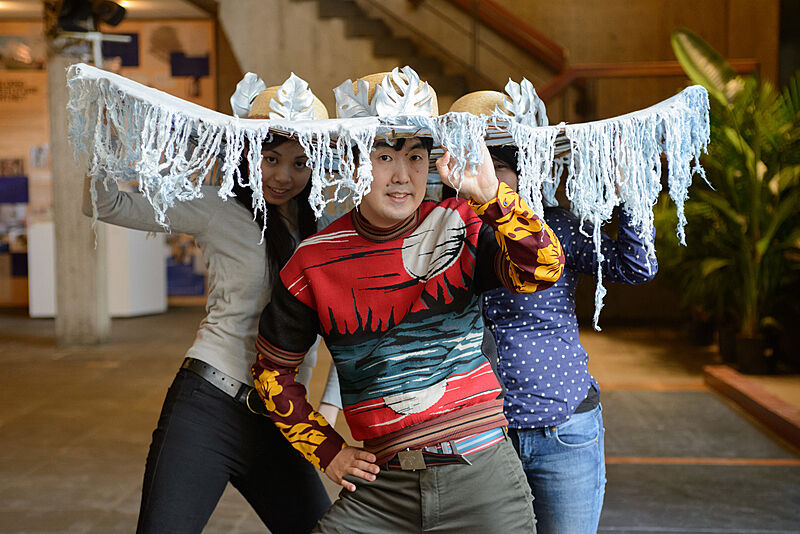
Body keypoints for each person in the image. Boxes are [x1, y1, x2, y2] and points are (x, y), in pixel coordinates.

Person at [250, 68, 565, 533]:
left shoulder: (460, 223)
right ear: (355, 161)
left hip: (482, 479)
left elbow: (544, 268)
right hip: (381, 491)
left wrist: (492, 198)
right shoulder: (312, 262)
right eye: (384, 156)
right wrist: (328, 450)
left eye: (416, 157)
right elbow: (271, 372)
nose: (403, 176)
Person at [82, 75, 341, 534]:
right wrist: (105, 136)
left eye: (299, 162)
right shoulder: (217, 208)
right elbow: (104, 203)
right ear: (249, 153)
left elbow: (353, 322)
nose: (283, 175)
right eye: (271, 158)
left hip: (283, 419)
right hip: (207, 408)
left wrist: (329, 412)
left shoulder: (327, 229)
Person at [481, 142, 658, 533]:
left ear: (523, 173)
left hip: (564, 431)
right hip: (482, 440)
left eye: (498, 166)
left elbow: (637, 266)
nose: (488, 175)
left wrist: (630, 191)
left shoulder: (555, 226)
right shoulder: (445, 232)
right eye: (477, 163)